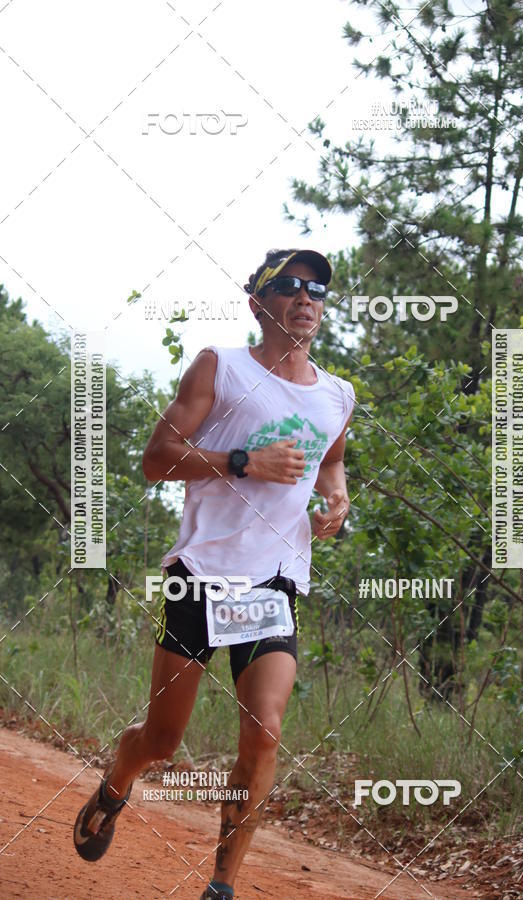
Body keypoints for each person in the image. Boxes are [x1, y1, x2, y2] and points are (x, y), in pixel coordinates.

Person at [73, 248, 355, 900]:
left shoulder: (337, 395)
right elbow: (156, 459)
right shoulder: (219, 367)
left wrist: (336, 498)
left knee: (265, 732)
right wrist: (242, 461)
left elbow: (331, 458)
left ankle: (220, 888)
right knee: (163, 740)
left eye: (316, 288)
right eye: (288, 285)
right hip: (201, 573)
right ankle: (118, 779)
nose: (305, 296)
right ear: (258, 303)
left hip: (271, 582)